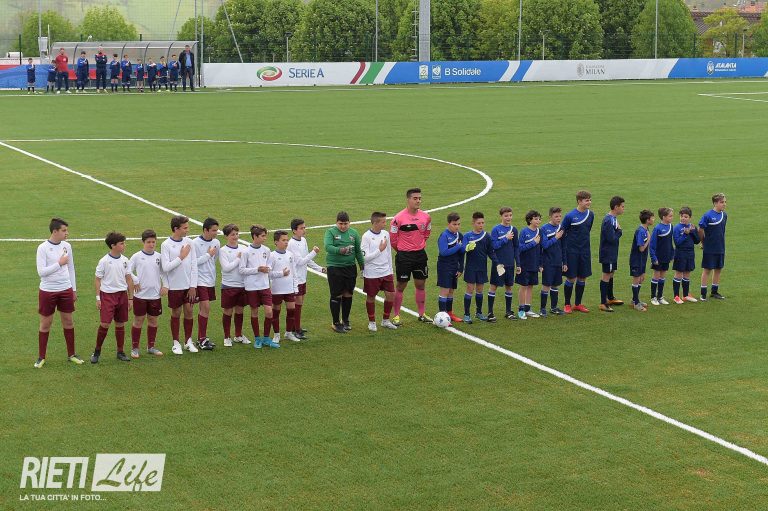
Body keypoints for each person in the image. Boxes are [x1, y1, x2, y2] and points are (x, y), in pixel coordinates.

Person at [35, 218, 83, 368]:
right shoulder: (42, 248)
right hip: (48, 291)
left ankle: (72, 354)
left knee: (68, 321)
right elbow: (41, 272)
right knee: (46, 323)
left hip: (66, 289)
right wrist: (59, 263)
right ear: (55, 231)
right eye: (64, 230)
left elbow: (71, 268)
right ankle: (41, 357)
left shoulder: (67, 246)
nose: (67, 233)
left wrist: (73, 289)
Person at [389, 188, 432, 325]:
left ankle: (422, 314)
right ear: (408, 199)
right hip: (404, 256)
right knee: (401, 285)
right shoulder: (398, 219)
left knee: (421, 284)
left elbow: (427, 233)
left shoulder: (426, 217)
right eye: (415, 198)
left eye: (419, 198)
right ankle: (396, 315)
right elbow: (393, 239)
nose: (418, 201)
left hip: (420, 255)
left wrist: (419, 245)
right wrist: (403, 250)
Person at [91, 232, 134, 364]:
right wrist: (98, 298)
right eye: (121, 243)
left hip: (122, 295)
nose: (124, 245)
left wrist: (130, 298)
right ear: (113, 245)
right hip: (107, 296)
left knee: (120, 323)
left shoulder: (125, 260)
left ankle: (120, 352)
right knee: (105, 324)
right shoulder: (104, 261)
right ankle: (97, 351)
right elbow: (97, 280)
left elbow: (129, 279)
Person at [160, 215, 198, 355]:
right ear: (176, 229)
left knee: (189, 311)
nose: (187, 230)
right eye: (185, 228)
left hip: (188, 286)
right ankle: (176, 343)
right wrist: (181, 256)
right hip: (175, 286)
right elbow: (166, 267)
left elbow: (194, 265)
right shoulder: (166, 245)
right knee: (176, 312)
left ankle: (188, 341)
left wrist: (193, 286)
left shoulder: (190, 242)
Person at [324, 211, 364, 333]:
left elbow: (358, 251)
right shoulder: (330, 232)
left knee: (348, 294)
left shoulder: (354, 233)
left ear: (349, 223)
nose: (343, 226)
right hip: (335, 267)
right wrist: (340, 250)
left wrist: (362, 266)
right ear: (336, 223)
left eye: (345, 224)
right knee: (336, 294)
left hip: (350, 268)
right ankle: (335, 322)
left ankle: (345, 320)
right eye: (340, 224)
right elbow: (328, 247)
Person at [239, 225, 279, 348]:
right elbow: (241, 270)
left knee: (269, 312)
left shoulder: (266, 250)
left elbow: (270, 265)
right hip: (251, 287)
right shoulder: (246, 252)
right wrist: (257, 269)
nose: (265, 238)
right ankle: (257, 339)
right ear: (255, 236)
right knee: (254, 312)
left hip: (265, 286)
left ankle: (266, 338)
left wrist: (267, 268)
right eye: (262, 236)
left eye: (265, 236)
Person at [129, 229, 166, 358]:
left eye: (153, 242)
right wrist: (135, 280)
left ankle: (151, 347)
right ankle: (135, 348)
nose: (151, 244)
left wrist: (165, 285)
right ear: (143, 242)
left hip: (155, 295)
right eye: (148, 242)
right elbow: (127, 271)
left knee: (153, 320)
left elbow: (164, 272)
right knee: (138, 320)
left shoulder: (159, 257)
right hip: (140, 295)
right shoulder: (136, 256)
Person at [287, 218, 325, 340]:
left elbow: (307, 259)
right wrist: (314, 252)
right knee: (297, 304)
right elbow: (300, 261)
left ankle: (296, 327)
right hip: (295, 279)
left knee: (300, 303)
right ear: (294, 230)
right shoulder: (292, 244)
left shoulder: (303, 240)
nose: (304, 230)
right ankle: (296, 329)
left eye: (304, 227)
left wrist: (320, 269)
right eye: (301, 228)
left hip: (303, 277)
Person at [361, 212, 398, 332]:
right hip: (372, 273)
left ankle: (385, 320)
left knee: (391, 295)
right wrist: (379, 250)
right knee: (371, 297)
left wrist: (391, 270)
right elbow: (364, 258)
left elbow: (388, 253)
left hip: (386, 271)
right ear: (376, 223)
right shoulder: (366, 237)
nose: (385, 224)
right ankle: (372, 322)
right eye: (383, 222)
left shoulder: (386, 234)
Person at [561, 190, 594, 313]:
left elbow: (587, 230)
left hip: (585, 251)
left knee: (582, 277)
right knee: (571, 278)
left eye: (590, 200)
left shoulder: (591, 214)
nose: (589, 202)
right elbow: (562, 233)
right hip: (572, 252)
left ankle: (578, 304)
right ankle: (567, 304)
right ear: (579, 201)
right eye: (587, 200)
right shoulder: (570, 216)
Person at [462, 212, 498, 323]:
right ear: (473, 223)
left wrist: (497, 262)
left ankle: (479, 312)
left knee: (480, 290)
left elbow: (491, 252)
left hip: (482, 267)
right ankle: (467, 314)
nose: (481, 225)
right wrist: (467, 247)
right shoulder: (467, 236)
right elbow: (462, 249)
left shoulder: (487, 236)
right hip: (471, 267)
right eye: (479, 223)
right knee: (469, 289)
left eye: (482, 223)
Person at [219, 224, 249, 347]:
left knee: (240, 310)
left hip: (242, 285)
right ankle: (227, 337)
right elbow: (226, 268)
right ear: (226, 236)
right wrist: (238, 259)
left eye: (237, 234)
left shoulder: (244, 248)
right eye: (232, 235)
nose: (235, 236)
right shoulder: (223, 250)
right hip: (229, 285)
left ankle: (238, 335)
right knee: (228, 311)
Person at [192, 217, 220, 350]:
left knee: (204, 309)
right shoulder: (195, 243)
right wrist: (208, 255)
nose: (216, 233)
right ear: (205, 230)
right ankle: (202, 338)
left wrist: (210, 258)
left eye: (216, 230)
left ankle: (201, 338)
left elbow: (215, 260)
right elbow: (193, 262)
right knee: (206, 307)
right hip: (199, 280)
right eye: (213, 230)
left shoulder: (216, 242)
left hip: (210, 280)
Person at [488, 207, 519, 322]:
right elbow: (494, 246)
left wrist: (518, 263)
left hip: (510, 264)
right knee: (494, 286)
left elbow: (516, 247)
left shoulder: (514, 230)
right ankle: (490, 313)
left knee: (509, 287)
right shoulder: (496, 229)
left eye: (510, 215)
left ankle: (508, 312)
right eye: (506, 216)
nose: (508, 218)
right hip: (499, 264)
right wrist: (505, 238)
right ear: (501, 216)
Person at [270, 231, 300, 343]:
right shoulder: (272, 255)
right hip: (277, 289)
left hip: (289, 289)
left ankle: (288, 333)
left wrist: (295, 288)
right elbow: (268, 273)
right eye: (283, 240)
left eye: (287, 240)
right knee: (276, 312)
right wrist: (281, 274)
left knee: (291, 310)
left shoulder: (290, 254)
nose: (286, 242)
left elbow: (294, 272)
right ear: (276, 242)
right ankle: (276, 334)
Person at [436, 212, 465, 324]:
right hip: (444, 266)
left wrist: (460, 268)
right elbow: (443, 252)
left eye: (458, 224)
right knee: (445, 291)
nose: (457, 226)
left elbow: (461, 254)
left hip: (454, 267)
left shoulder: (460, 236)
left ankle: (450, 314)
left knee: (451, 291)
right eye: (454, 224)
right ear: (449, 224)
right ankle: (442, 316)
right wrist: (458, 246)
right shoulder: (444, 236)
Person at [698, 193, 727, 301]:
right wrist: (703, 242)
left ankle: (714, 292)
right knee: (707, 270)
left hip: (720, 247)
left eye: (725, 202)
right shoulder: (707, 215)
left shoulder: (724, 215)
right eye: (722, 202)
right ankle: (703, 294)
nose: (724, 204)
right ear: (715, 203)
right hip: (709, 248)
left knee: (718, 269)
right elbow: (700, 230)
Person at [598, 196, 625, 312]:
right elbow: (611, 239)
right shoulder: (608, 220)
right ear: (616, 207)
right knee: (606, 274)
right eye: (622, 206)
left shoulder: (613, 218)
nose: (623, 208)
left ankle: (610, 297)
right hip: (607, 253)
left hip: (612, 252)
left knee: (611, 273)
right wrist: (619, 231)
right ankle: (603, 303)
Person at [540, 207, 567, 316]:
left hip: (558, 261)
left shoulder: (561, 228)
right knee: (546, 285)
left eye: (560, 216)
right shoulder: (544, 229)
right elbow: (544, 245)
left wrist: (565, 262)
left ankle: (554, 308)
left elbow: (564, 247)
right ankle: (542, 309)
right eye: (556, 216)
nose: (559, 218)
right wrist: (556, 237)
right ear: (550, 216)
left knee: (555, 285)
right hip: (548, 262)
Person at [516, 210, 543, 319]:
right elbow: (520, 248)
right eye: (536, 219)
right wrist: (533, 243)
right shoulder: (524, 232)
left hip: (534, 264)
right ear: (530, 220)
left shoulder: (540, 232)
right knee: (523, 286)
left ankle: (527, 309)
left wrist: (540, 264)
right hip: (524, 264)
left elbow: (540, 249)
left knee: (530, 286)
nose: (538, 221)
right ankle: (521, 310)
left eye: (539, 219)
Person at [672, 207, 700, 304]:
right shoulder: (677, 228)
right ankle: (676, 296)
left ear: (690, 218)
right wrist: (685, 234)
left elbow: (697, 241)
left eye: (686, 217)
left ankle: (685, 295)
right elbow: (677, 243)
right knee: (679, 273)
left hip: (690, 253)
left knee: (687, 273)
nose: (683, 218)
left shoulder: (692, 227)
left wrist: (692, 232)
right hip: (680, 253)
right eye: (681, 216)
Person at [649, 207, 675, 306]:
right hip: (658, 257)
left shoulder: (671, 226)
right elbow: (652, 245)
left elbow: (670, 242)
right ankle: (653, 297)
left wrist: (672, 254)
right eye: (670, 216)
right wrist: (653, 258)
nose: (672, 218)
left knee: (662, 277)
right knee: (656, 276)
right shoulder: (657, 228)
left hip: (666, 256)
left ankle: (660, 297)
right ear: (664, 217)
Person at [629, 210, 654, 312]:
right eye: (652, 218)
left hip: (642, 259)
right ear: (647, 220)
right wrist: (649, 239)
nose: (653, 219)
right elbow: (641, 248)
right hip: (636, 260)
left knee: (641, 279)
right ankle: (636, 303)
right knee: (636, 279)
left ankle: (634, 300)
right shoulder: (641, 231)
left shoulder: (645, 229)